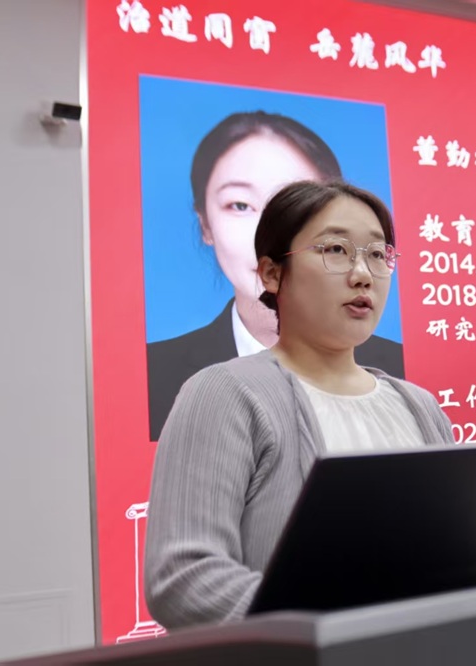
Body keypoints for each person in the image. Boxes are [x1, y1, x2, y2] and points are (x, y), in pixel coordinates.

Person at [143, 180, 454, 630]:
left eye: (376, 254)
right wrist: (342, 629)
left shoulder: (420, 407)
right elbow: (184, 579)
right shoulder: (225, 393)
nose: (363, 274)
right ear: (272, 274)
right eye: (336, 250)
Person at [146, 111, 405, 442]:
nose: (264, 232)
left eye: (294, 208)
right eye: (240, 205)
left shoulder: (405, 387)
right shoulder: (164, 374)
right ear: (205, 224)